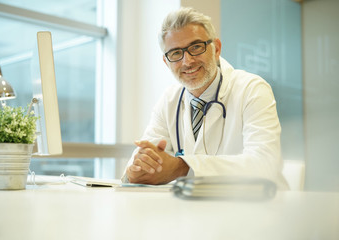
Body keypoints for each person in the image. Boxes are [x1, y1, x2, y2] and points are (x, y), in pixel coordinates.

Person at [121, 7, 289, 189]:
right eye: (176, 53)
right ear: (166, 62)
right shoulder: (169, 100)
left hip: (258, 207)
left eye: (196, 47)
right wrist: (137, 170)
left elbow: (264, 164)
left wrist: (182, 167)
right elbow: (147, 158)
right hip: (196, 209)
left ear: (216, 48)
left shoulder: (252, 89)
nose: (187, 61)